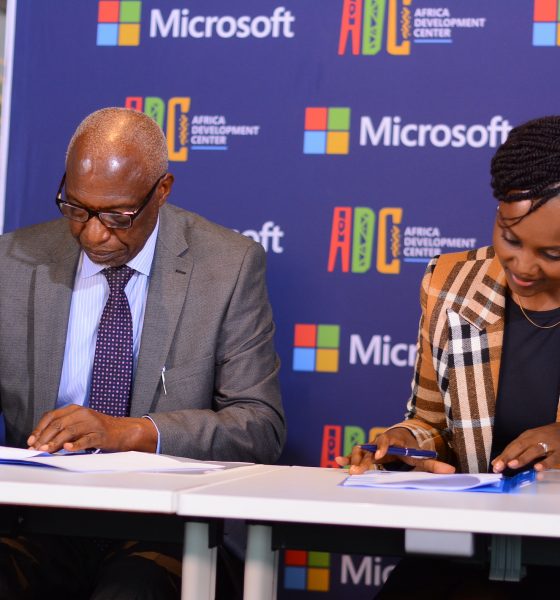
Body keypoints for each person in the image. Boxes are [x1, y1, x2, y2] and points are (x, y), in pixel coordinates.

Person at [0, 107, 285, 598]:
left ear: (162, 190)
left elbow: (259, 425)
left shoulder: (228, 267)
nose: (93, 234)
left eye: (117, 216)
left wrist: (128, 432)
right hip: (40, 520)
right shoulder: (12, 262)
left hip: (165, 526)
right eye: (76, 209)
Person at [337, 115, 560, 598]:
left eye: (553, 254)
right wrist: (405, 445)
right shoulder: (452, 284)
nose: (523, 265)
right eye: (510, 237)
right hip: (472, 544)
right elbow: (432, 423)